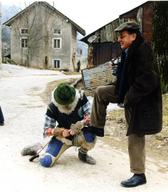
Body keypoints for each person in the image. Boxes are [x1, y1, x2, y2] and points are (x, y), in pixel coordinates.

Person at [89, 21, 162, 187]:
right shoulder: (127, 51)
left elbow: (149, 80)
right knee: (100, 92)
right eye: (119, 37)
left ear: (133, 36)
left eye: (122, 36)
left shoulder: (143, 51)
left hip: (141, 101)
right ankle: (97, 126)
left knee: (135, 135)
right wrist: (117, 86)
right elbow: (124, 76)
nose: (119, 40)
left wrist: (128, 97)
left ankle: (139, 174)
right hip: (126, 93)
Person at [39, 83, 96, 167]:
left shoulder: (80, 97)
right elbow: (46, 130)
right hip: (62, 137)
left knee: (91, 135)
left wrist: (81, 124)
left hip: (79, 134)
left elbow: (91, 116)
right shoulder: (52, 106)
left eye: (69, 104)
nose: (67, 107)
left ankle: (82, 154)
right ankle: (38, 149)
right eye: (64, 105)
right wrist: (60, 131)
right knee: (46, 162)